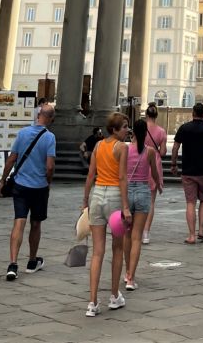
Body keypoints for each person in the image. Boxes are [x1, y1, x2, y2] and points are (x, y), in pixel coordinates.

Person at [0, 102, 56, 281]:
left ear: (38, 114)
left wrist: (3, 179)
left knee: (19, 222)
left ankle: (13, 264)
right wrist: (48, 181)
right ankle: (32, 261)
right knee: (36, 223)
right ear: (51, 119)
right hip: (39, 187)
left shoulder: (22, 133)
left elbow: (11, 159)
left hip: (21, 185)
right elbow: (50, 166)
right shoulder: (50, 137)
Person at [83, 112, 132, 317]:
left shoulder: (98, 145)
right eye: (124, 127)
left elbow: (91, 174)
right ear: (114, 129)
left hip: (97, 196)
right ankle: (113, 295)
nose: (127, 130)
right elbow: (122, 178)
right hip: (113, 198)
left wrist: (85, 200)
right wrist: (126, 207)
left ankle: (92, 302)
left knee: (97, 252)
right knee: (118, 248)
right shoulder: (121, 147)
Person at [170, 102, 203, 244]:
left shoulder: (184, 128)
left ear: (192, 113)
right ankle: (201, 230)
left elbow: (175, 148)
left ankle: (191, 235)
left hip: (188, 171)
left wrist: (173, 164)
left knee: (190, 202)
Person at [123, 118, 161, 292]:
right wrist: (159, 184)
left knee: (126, 235)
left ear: (132, 133)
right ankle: (131, 277)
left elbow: (121, 174)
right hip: (143, 192)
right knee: (137, 236)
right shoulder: (150, 151)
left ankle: (126, 271)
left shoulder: (125, 149)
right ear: (145, 133)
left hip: (127, 192)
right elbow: (153, 172)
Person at [142, 104, 167, 244]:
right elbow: (162, 153)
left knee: (137, 197)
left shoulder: (140, 128)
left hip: (140, 162)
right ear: (156, 116)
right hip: (154, 165)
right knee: (151, 201)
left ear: (146, 114)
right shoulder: (161, 132)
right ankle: (146, 233)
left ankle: (136, 229)